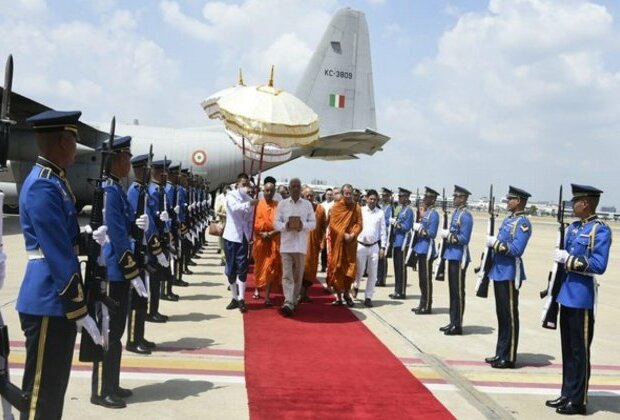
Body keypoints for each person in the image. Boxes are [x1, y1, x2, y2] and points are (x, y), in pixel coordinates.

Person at [17, 110, 103, 419]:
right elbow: (56, 252)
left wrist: (89, 238)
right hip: (48, 299)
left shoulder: (55, 181)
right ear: (62, 141)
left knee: (53, 390)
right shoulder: (43, 185)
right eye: (74, 140)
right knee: (41, 392)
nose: (76, 148)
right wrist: (79, 307)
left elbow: (65, 239)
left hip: (55, 300)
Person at [91, 136, 149, 409]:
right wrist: (131, 270)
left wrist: (139, 225)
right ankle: (102, 390)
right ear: (115, 160)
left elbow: (126, 228)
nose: (129, 163)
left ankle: (111, 383)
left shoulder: (116, 188)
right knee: (109, 332)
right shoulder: (110, 191)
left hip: (120, 270)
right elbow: (116, 233)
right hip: (114, 271)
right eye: (126, 158)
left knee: (117, 332)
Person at [545, 184, 612, 415]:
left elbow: (599, 265)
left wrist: (569, 259)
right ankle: (567, 394)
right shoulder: (573, 228)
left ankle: (579, 399)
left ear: (586, 203)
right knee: (568, 349)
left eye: (576, 201)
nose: (573, 205)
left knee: (580, 352)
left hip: (582, 298)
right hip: (566, 294)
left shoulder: (600, 230)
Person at [484, 186, 532, 369]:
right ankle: (500, 352)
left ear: (518, 201)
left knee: (510, 315)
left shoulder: (523, 223)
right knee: (501, 315)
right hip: (499, 271)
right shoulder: (508, 220)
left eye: (510, 199)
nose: (508, 201)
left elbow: (517, 249)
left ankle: (509, 356)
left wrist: (496, 244)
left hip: (510, 273)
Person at [126, 153, 160, 355]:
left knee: (142, 294)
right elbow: (132, 221)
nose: (150, 172)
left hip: (144, 247)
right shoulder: (134, 191)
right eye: (146, 169)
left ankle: (140, 335)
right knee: (136, 296)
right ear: (140, 170)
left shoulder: (142, 190)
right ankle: (132, 339)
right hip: (137, 248)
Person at [274, 178, 316, 316]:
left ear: (301, 189)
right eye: (293, 186)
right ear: (289, 188)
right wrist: (285, 226)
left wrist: (302, 226)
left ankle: (293, 300)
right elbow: (275, 223)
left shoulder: (307, 205)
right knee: (287, 275)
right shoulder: (282, 204)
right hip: (286, 245)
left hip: (300, 246)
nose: (296, 188)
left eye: (298, 186)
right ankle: (288, 301)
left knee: (298, 276)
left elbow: (313, 224)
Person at [438, 185, 473, 335]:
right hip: (451, 255)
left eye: (456, 196)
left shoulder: (466, 215)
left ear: (463, 198)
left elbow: (464, 238)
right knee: (452, 291)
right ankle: (453, 321)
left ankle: (457, 324)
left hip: (459, 257)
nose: (454, 199)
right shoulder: (457, 213)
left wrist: (449, 236)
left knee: (458, 292)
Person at [223, 173, 258, 313]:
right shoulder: (230, 196)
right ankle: (234, 298)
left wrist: (250, 236)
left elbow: (250, 220)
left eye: (247, 184)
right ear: (237, 184)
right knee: (230, 269)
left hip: (243, 237)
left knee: (242, 268)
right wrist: (250, 204)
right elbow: (236, 208)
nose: (245, 187)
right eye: (243, 184)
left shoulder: (249, 198)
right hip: (231, 236)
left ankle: (242, 298)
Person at [146, 159, 173, 323]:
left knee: (159, 277)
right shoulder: (152, 191)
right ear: (157, 173)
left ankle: (155, 309)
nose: (166, 175)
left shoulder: (161, 190)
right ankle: (152, 311)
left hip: (161, 238)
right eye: (164, 172)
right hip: (153, 241)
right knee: (154, 278)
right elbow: (150, 220)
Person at [328, 184, 362, 307]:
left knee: (350, 271)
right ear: (342, 194)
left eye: (350, 193)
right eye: (346, 193)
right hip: (339, 244)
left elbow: (359, 224)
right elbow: (333, 225)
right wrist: (343, 234)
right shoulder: (337, 207)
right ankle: (339, 297)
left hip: (351, 244)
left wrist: (352, 235)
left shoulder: (356, 207)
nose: (348, 196)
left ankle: (347, 293)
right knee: (338, 269)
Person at [353, 189, 387, 307]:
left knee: (373, 273)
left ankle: (368, 297)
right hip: (361, 245)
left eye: (374, 199)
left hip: (374, 247)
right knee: (360, 270)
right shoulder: (360, 211)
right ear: (366, 199)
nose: (372, 201)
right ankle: (356, 286)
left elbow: (383, 231)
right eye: (370, 199)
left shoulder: (380, 213)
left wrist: (383, 247)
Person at [252, 180, 282, 306]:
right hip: (260, 241)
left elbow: (281, 225)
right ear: (263, 191)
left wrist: (271, 233)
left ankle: (267, 297)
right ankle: (258, 288)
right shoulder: (258, 205)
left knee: (270, 267)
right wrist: (261, 234)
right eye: (267, 190)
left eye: (271, 191)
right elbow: (252, 223)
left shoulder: (278, 206)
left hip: (273, 240)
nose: (269, 193)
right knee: (260, 266)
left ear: (274, 192)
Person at [411, 187, 440, 314]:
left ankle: (427, 305)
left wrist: (419, 229)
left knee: (426, 280)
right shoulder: (427, 213)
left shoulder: (434, 214)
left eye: (427, 197)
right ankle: (422, 303)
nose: (424, 199)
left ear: (433, 199)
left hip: (427, 250)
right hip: (421, 248)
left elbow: (432, 234)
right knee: (421, 279)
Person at [301, 186, 327, 302]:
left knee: (311, 270)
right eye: (307, 196)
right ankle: (298, 293)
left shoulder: (320, 209)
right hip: (300, 244)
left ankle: (305, 293)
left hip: (313, 245)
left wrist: (322, 242)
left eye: (312, 196)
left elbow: (323, 228)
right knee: (300, 269)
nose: (310, 198)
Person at [388, 188, 414, 300]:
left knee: (401, 268)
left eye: (401, 196)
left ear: (406, 197)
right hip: (396, 242)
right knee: (396, 267)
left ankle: (401, 291)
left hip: (403, 242)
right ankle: (397, 290)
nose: (399, 198)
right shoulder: (401, 209)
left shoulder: (408, 211)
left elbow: (407, 227)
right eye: (399, 196)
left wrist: (396, 223)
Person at [376, 187, 393, 287]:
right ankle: (378, 277)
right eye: (383, 196)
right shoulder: (380, 206)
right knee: (378, 257)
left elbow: (389, 221)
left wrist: (381, 222)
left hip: (385, 234)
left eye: (386, 196)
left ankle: (382, 279)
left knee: (383, 257)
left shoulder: (390, 208)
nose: (384, 197)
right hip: (378, 234)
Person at [214, 184, 230, 266]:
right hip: (222, 222)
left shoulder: (231, 198)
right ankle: (223, 259)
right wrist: (224, 215)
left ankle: (229, 258)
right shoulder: (219, 198)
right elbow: (216, 211)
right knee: (223, 242)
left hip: (231, 223)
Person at [319, 188, 334, 273]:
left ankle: (330, 265)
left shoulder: (334, 204)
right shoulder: (322, 205)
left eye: (330, 194)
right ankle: (323, 265)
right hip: (323, 228)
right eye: (328, 194)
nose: (329, 196)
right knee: (323, 248)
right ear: (325, 195)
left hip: (331, 228)